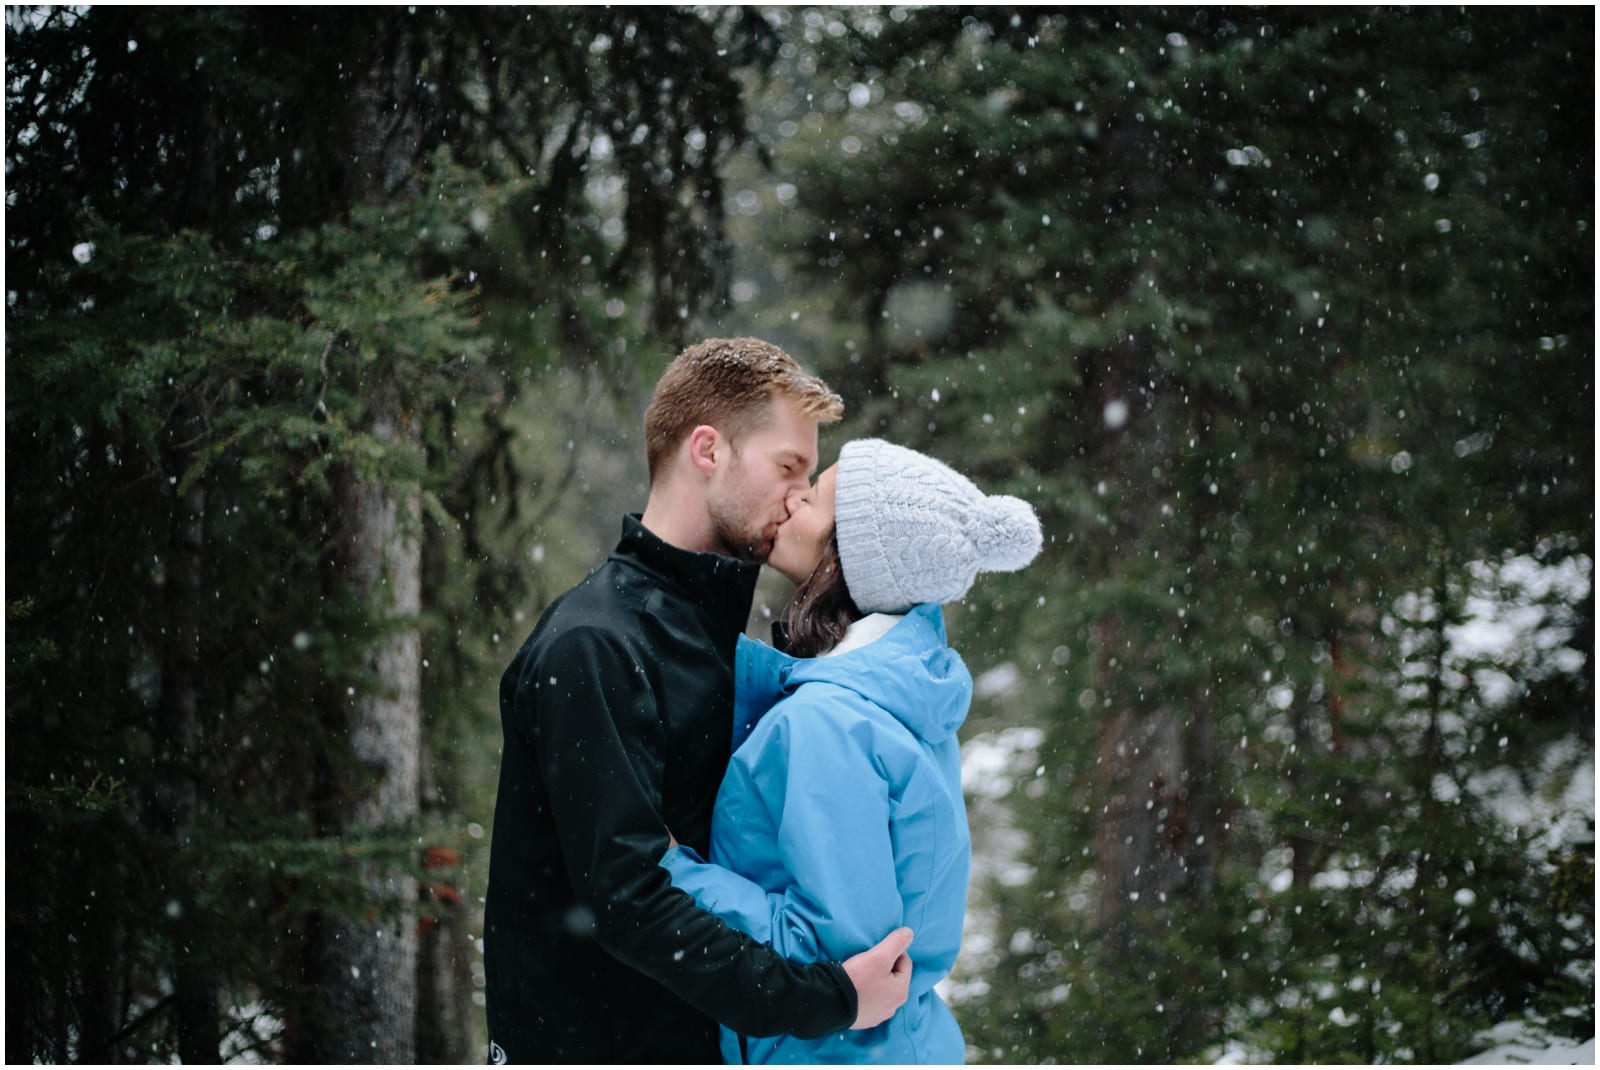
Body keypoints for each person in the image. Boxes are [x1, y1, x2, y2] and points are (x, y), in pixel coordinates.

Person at [484, 339, 915, 1064]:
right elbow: (626, 898)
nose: (800, 498)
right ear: (707, 450)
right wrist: (828, 999)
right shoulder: (595, 643)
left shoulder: (709, 632)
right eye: (789, 468)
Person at [661, 438, 1044, 1064]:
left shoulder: (830, 723)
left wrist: (677, 872)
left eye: (812, 498)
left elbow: (835, 962)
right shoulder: (904, 694)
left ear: (850, 556)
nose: (791, 500)